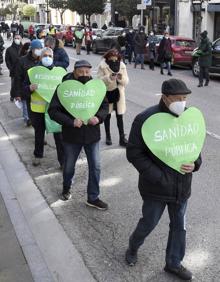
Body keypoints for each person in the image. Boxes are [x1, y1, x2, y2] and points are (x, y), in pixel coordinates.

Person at [125, 79, 202, 281]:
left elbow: (194, 145)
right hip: (155, 188)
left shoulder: (188, 117)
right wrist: (158, 177)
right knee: (149, 222)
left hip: (182, 186)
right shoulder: (145, 119)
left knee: (179, 226)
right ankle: (133, 246)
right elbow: (134, 152)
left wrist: (196, 163)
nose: (183, 103)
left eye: (185, 98)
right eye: (178, 99)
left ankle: (174, 263)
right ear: (165, 98)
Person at [48, 60, 109, 209]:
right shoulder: (63, 88)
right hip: (71, 136)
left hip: (92, 135)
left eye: (87, 72)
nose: (84, 75)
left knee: (96, 166)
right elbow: (53, 111)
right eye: (81, 72)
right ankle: (66, 188)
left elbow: (105, 106)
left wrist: (99, 117)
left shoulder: (96, 87)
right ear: (74, 72)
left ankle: (93, 197)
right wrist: (70, 121)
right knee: (69, 166)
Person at [23, 47, 64, 167]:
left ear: (53, 58)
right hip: (38, 110)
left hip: (55, 110)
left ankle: (62, 161)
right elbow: (23, 90)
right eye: (45, 55)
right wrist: (29, 88)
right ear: (40, 58)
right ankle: (38, 155)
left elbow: (65, 90)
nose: (47, 58)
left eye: (50, 56)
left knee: (59, 136)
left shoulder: (59, 73)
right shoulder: (32, 72)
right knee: (39, 135)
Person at [97, 49, 129, 147]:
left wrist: (120, 78)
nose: (114, 60)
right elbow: (99, 81)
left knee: (120, 116)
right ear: (108, 57)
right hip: (108, 93)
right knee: (107, 116)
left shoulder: (122, 66)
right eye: (112, 58)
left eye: (116, 58)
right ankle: (108, 136)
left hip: (119, 94)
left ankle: (122, 138)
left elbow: (126, 80)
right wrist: (109, 77)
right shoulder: (102, 66)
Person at [14, 39, 43, 136]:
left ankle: (40, 134)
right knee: (31, 115)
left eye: (40, 48)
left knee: (40, 118)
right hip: (27, 91)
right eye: (37, 48)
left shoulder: (43, 60)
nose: (39, 50)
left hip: (40, 93)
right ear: (32, 49)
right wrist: (17, 93)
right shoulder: (22, 61)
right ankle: (32, 125)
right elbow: (17, 78)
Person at [5, 34, 23, 102]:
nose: (17, 39)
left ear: (21, 39)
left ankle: (20, 95)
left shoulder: (23, 48)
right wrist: (10, 68)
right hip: (13, 70)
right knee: (13, 84)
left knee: (22, 83)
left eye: (18, 38)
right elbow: (7, 60)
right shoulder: (9, 49)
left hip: (22, 70)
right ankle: (12, 95)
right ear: (13, 39)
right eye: (16, 38)